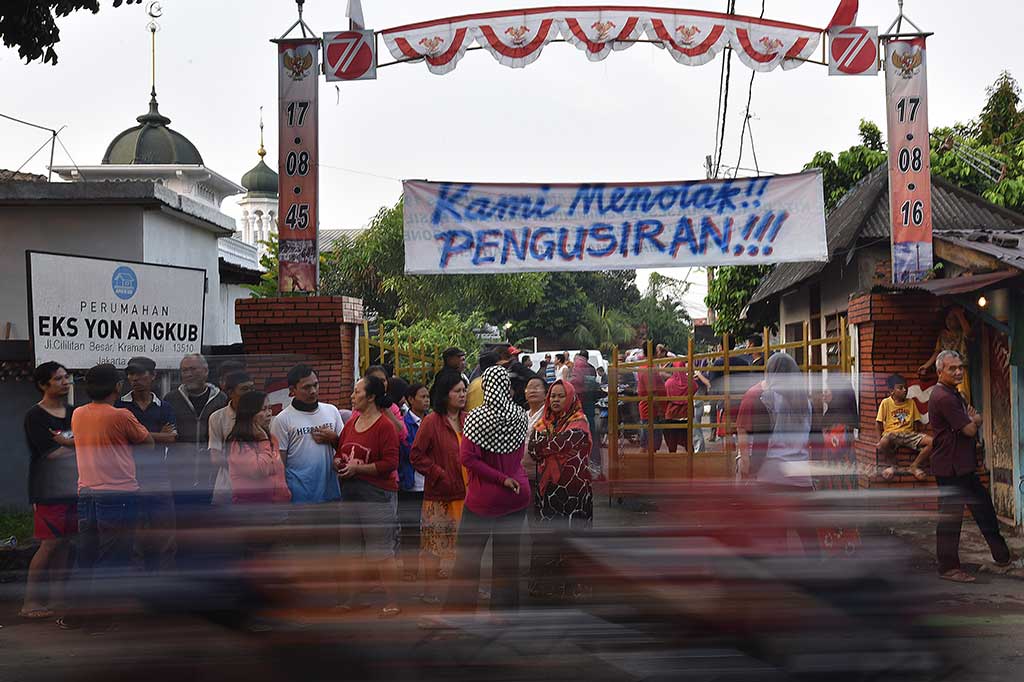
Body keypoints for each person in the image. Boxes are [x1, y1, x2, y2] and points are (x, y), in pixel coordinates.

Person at [66, 364, 153, 630]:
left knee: (87, 556)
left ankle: (76, 615)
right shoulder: (121, 415)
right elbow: (147, 442)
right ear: (117, 387)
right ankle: (99, 619)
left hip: (87, 492)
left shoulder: (78, 413)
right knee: (113, 556)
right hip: (118, 493)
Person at [928, 350, 1021, 582]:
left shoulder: (954, 393)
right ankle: (948, 567)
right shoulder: (944, 397)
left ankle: (1002, 556)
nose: (959, 371)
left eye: (960, 367)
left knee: (984, 509)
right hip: (950, 467)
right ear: (940, 371)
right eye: (953, 368)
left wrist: (971, 420)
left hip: (963, 466)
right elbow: (970, 427)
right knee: (951, 518)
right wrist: (975, 421)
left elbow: (968, 421)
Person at [445, 366, 531, 613]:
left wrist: (500, 479)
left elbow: (468, 459)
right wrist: (507, 477)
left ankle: (460, 611)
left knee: (468, 560)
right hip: (517, 495)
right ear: (507, 387)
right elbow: (518, 454)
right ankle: (505, 615)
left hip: (484, 498)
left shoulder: (477, 417)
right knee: (507, 561)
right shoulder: (520, 415)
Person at [335, 375, 401, 616]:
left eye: (357, 392)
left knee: (381, 552)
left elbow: (390, 463)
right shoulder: (351, 424)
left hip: (376, 495)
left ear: (371, 397)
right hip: (350, 494)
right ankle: (352, 599)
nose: (352, 396)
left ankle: (393, 600)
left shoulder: (385, 426)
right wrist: (338, 462)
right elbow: (340, 450)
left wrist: (358, 468)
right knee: (351, 552)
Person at [21, 362, 78, 620]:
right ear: (43, 385)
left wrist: (71, 444)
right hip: (47, 490)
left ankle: (58, 599)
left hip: (72, 488)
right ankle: (30, 601)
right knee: (49, 544)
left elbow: (70, 447)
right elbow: (53, 453)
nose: (65, 382)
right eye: (58, 379)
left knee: (64, 545)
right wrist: (80, 444)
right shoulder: (35, 416)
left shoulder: (74, 413)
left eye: (66, 377)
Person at [528, 379, 593, 600]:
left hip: (575, 493)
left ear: (570, 398)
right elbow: (534, 449)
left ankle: (574, 588)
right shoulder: (543, 423)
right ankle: (545, 587)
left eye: (560, 396)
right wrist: (549, 445)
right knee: (546, 539)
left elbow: (557, 443)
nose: (555, 400)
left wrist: (547, 444)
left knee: (574, 539)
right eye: (552, 396)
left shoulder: (580, 421)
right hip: (547, 494)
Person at [115, 356, 178, 573]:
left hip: (159, 474)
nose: (135, 378)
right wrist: (156, 435)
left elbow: (172, 438)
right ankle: (137, 578)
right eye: (131, 374)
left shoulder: (164, 406)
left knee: (166, 528)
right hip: (128, 474)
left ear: (153, 376)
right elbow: (122, 438)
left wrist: (137, 435)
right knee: (134, 529)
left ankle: (165, 577)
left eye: (141, 373)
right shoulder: (119, 406)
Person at [410, 373, 469, 604]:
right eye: (457, 391)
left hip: (467, 492)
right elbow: (416, 455)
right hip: (440, 494)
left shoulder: (468, 419)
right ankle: (429, 590)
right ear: (445, 395)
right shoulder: (431, 421)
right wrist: (438, 473)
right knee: (434, 547)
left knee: (465, 547)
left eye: (464, 390)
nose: (463, 395)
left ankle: (465, 591)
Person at [272, 364, 344, 504]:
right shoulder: (282, 419)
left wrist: (334, 439)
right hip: (299, 496)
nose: (313, 391)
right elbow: (279, 463)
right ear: (292, 390)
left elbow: (346, 448)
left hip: (331, 493)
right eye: (306, 387)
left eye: (315, 385)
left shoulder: (332, 411)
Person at [163, 354, 227, 509]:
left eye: (192, 369)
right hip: (180, 473)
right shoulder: (171, 399)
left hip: (211, 472)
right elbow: (166, 432)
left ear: (205, 371)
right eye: (184, 370)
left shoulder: (221, 399)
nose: (188, 374)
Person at [225, 391, 290, 505]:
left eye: (269, 408)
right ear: (250, 414)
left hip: (278, 507)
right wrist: (263, 441)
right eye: (263, 409)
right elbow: (260, 471)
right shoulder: (239, 444)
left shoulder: (272, 439)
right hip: (253, 510)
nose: (269, 413)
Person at [207, 371, 256, 505]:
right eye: (245, 389)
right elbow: (215, 457)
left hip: (259, 486)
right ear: (230, 393)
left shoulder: (262, 414)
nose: (250, 393)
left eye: (252, 389)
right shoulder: (217, 418)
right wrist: (246, 467)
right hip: (228, 487)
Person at [876, 374, 933, 481]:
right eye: (900, 388)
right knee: (883, 442)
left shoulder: (911, 402)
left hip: (909, 434)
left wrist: (916, 437)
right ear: (892, 391)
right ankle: (893, 465)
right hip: (892, 434)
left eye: (905, 387)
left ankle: (914, 466)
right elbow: (878, 423)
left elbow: (916, 423)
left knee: (932, 442)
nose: (905, 390)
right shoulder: (886, 403)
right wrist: (879, 440)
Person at [398, 383, 429, 583]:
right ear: (410, 399)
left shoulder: (433, 420)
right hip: (411, 483)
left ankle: (431, 569)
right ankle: (411, 569)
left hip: (431, 484)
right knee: (410, 530)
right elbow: (408, 453)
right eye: (422, 396)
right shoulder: (404, 424)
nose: (426, 400)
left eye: (428, 396)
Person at [919, 307, 972, 400]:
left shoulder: (961, 333)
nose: (949, 322)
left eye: (953, 319)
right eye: (948, 319)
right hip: (946, 369)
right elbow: (937, 352)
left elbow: (969, 332)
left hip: (959, 369)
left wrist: (959, 314)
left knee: (962, 395)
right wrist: (926, 365)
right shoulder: (943, 335)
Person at [361, 365, 409, 442]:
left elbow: (402, 435)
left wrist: (387, 410)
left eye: (383, 380)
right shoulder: (361, 407)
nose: (380, 384)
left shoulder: (392, 408)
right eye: (376, 380)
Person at [663, 361, 701, 454]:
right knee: (687, 439)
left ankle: (673, 458)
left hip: (672, 414)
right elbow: (695, 388)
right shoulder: (690, 382)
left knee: (672, 439)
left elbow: (665, 396)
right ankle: (691, 457)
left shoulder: (669, 383)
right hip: (686, 413)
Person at [636, 352, 667, 451]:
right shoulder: (648, 369)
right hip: (651, 411)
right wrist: (660, 409)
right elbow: (652, 393)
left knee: (651, 442)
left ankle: (649, 463)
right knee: (647, 443)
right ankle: (644, 464)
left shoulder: (649, 368)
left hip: (652, 410)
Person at [522, 375, 548, 486]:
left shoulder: (548, 415)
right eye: (529, 387)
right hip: (522, 473)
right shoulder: (522, 415)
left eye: (537, 387)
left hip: (541, 473)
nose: (532, 390)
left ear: (546, 394)